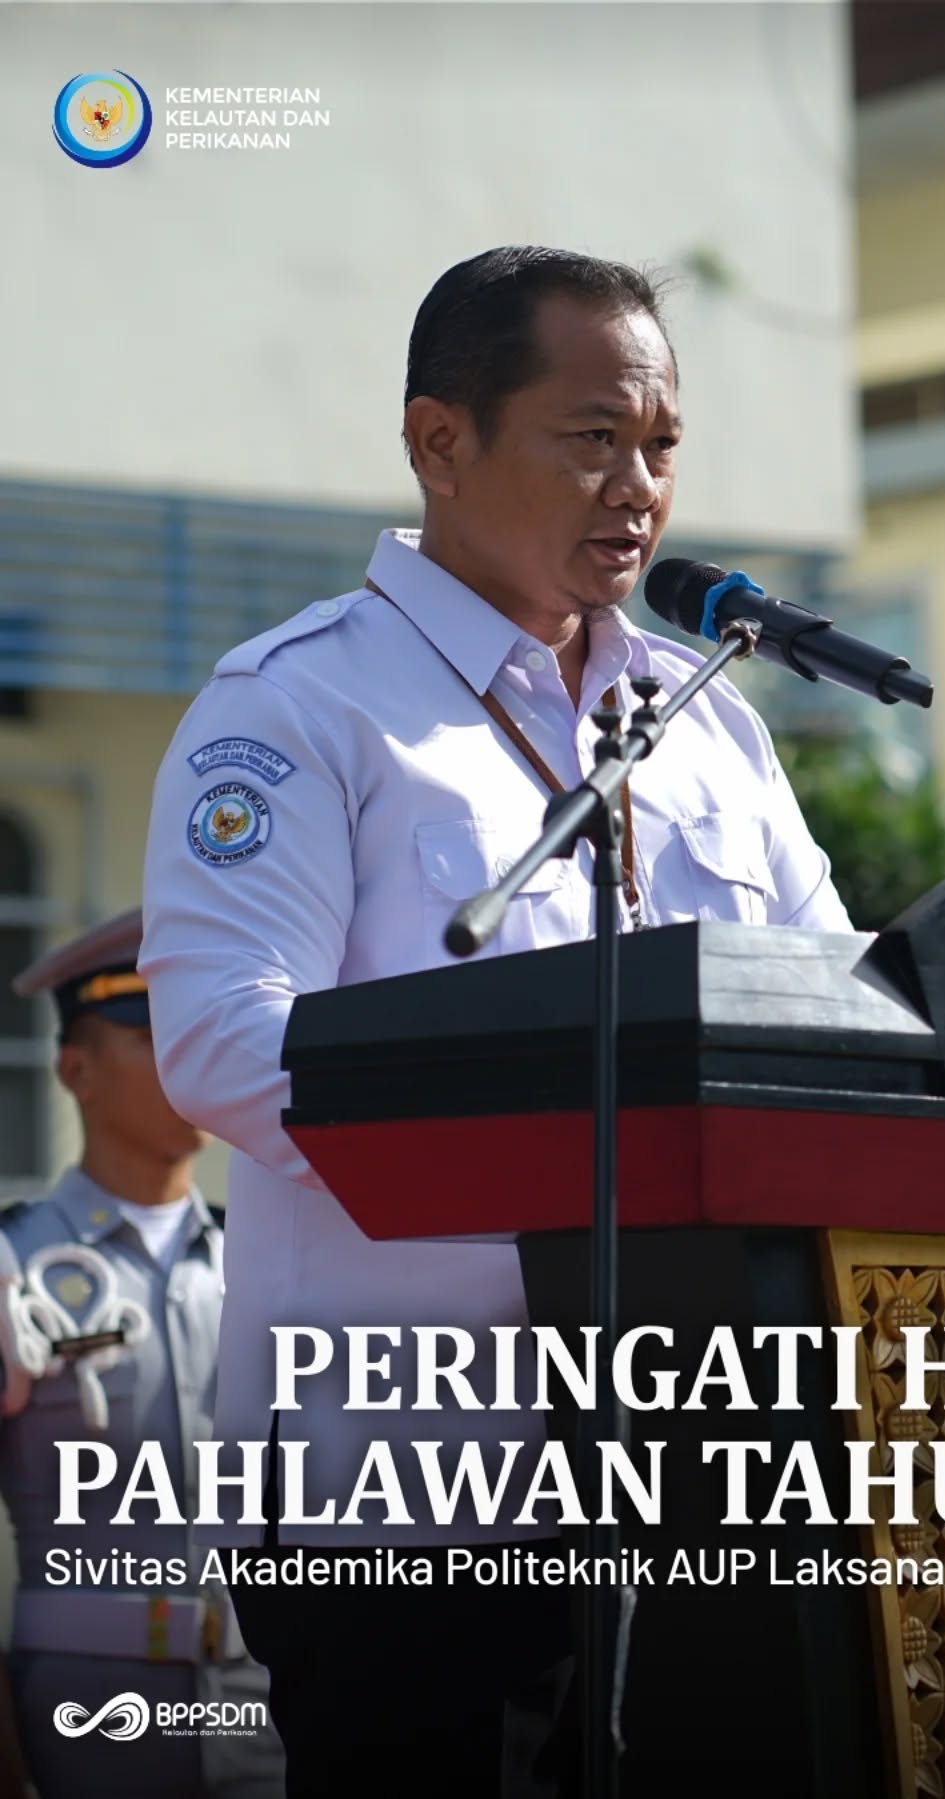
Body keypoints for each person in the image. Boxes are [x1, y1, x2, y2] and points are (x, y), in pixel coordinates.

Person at [138, 245, 852, 1795]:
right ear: (440, 441)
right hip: (417, 1499)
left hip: (703, 1476)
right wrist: (558, 1150)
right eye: (593, 437)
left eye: (662, 444)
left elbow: (834, 1021)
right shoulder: (298, 705)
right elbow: (223, 1041)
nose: (639, 487)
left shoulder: (712, 724)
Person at [0, 910, 285, 1798]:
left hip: (266, 1710)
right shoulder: (13, 1263)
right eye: (151, 1037)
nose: (185, 1063)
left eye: (194, 1036)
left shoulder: (266, 1261)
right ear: (74, 1070)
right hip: (80, 1719)